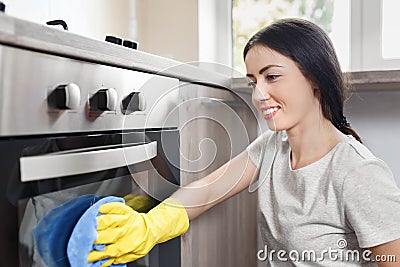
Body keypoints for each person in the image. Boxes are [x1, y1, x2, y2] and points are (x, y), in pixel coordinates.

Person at [87, 18, 400, 266]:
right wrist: (151, 226)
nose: (258, 95)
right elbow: (207, 190)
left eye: (272, 77)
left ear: (315, 78)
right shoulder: (272, 148)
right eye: (253, 81)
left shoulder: (358, 173)